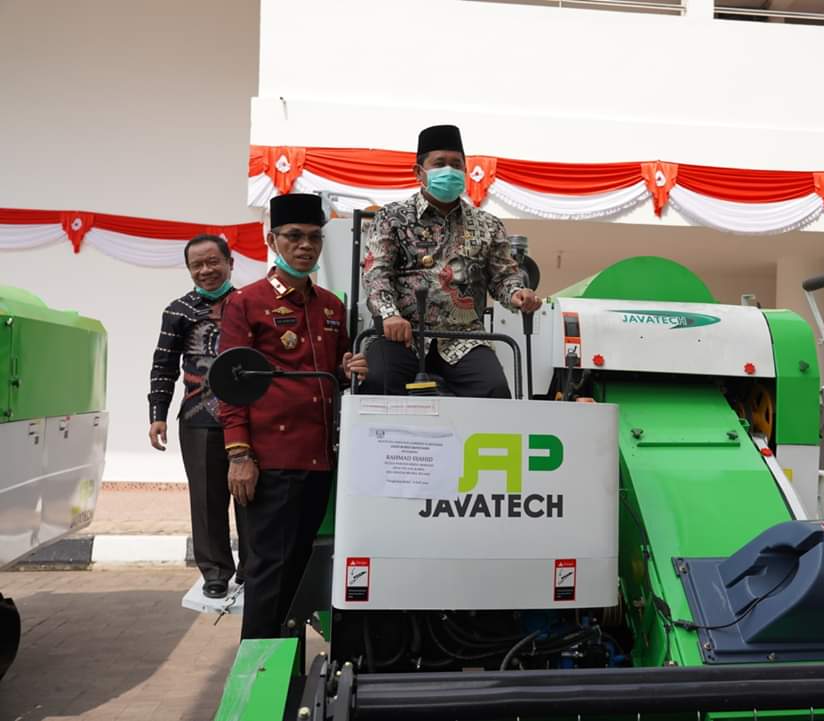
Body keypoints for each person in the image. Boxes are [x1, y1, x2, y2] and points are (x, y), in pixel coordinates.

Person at [218, 193, 368, 639]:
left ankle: (286, 667)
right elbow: (229, 385)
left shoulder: (330, 306)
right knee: (268, 570)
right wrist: (239, 454)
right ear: (272, 239)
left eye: (315, 238)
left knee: (300, 569)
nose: (306, 246)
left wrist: (348, 368)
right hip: (271, 461)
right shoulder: (246, 302)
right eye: (294, 237)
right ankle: (257, 670)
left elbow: (336, 373)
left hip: (320, 461)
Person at [362, 124, 542, 397]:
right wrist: (389, 315)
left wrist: (517, 293)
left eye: (456, 164)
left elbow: (504, 276)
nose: (449, 170)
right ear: (418, 172)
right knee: (377, 383)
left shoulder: (488, 225)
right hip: (402, 335)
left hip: (464, 338)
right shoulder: (391, 217)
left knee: (495, 390)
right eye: (440, 163)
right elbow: (377, 273)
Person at [148, 234, 248, 599]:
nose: (206, 270)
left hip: (249, 418)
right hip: (197, 417)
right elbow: (163, 365)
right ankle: (216, 571)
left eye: (213, 262)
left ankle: (253, 567)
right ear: (189, 269)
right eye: (197, 265)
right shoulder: (178, 311)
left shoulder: (248, 304)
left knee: (251, 494)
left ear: (230, 262)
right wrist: (157, 413)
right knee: (207, 499)